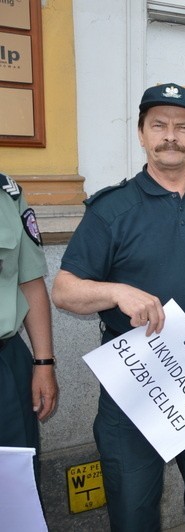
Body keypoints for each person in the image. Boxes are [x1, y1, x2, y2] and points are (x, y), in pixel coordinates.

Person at [51, 83, 185, 530]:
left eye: (183, 127)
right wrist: (115, 292)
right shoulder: (112, 209)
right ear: (142, 134)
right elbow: (64, 289)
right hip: (134, 381)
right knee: (133, 507)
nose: (171, 136)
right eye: (159, 125)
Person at [0, 172, 59, 487]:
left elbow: (30, 282)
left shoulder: (6, 194)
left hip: (5, 365)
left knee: (14, 486)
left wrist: (44, 362)